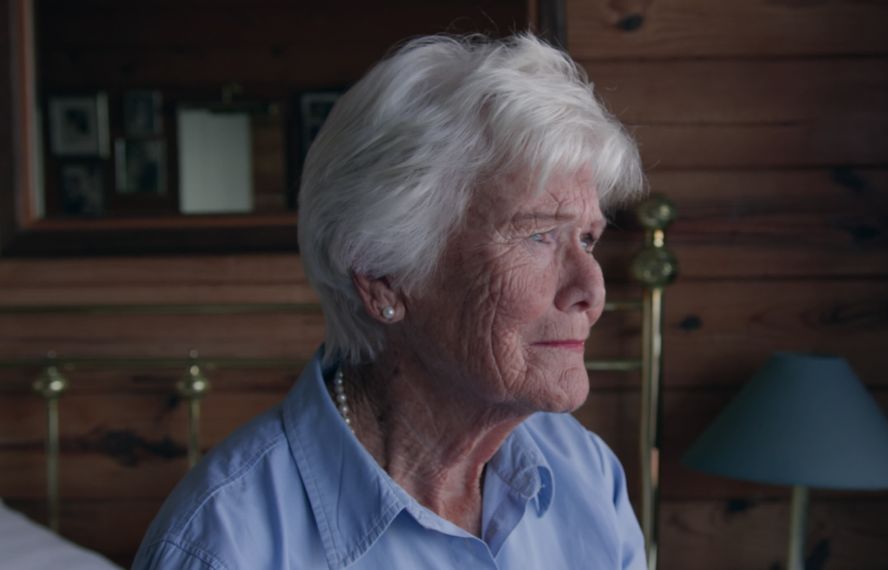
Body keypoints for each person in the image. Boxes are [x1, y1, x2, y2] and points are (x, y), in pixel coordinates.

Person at [133, 33, 646, 569]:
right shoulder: (223, 547)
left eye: (588, 238)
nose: (592, 290)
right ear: (383, 276)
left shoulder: (585, 474)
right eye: (538, 235)